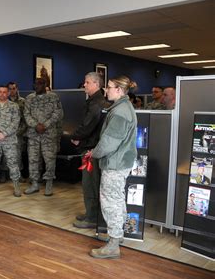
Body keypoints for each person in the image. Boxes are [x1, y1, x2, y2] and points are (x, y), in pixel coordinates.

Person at [89, 75, 138, 259]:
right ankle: (117, 236)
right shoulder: (123, 107)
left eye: (108, 87)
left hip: (115, 163)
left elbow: (109, 143)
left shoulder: (120, 112)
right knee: (117, 199)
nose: (105, 90)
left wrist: (94, 153)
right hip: (119, 162)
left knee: (111, 202)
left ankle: (113, 245)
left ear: (118, 90)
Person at [70, 72, 109, 229]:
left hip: (91, 150)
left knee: (90, 183)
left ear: (96, 84)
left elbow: (88, 125)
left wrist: (76, 136)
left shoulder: (96, 103)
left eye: (87, 82)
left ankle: (93, 217)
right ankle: (91, 212)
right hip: (92, 147)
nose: (84, 85)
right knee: (91, 183)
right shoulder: (96, 101)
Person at [24, 77, 64, 196]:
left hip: (49, 134)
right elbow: (26, 114)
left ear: (45, 84)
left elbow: (58, 113)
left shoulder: (53, 97)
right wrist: (35, 125)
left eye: (40, 84)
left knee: (49, 160)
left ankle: (49, 183)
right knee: (33, 159)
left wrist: (45, 125)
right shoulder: (29, 98)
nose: (37, 86)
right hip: (33, 134)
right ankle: (35, 183)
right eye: (35, 83)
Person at [8, 81, 27, 182]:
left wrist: (19, 132)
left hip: (17, 133)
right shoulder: (3, 101)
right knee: (4, 155)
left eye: (14, 88)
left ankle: (19, 175)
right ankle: (4, 174)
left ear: (17, 89)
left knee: (17, 155)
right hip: (5, 134)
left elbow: (25, 120)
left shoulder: (22, 102)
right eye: (10, 88)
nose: (12, 91)